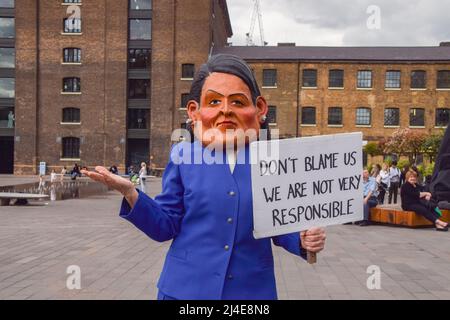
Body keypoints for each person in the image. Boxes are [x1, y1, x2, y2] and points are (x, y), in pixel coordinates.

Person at [82, 54, 326, 300]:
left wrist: (302, 239)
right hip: (185, 289)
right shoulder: (183, 155)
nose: (226, 110)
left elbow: (279, 223)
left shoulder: (271, 158)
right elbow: (166, 225)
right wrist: (131, 193)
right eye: (214, 101)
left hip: (250, 292)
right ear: (194, 111)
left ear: (259, 108)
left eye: (238, 102)